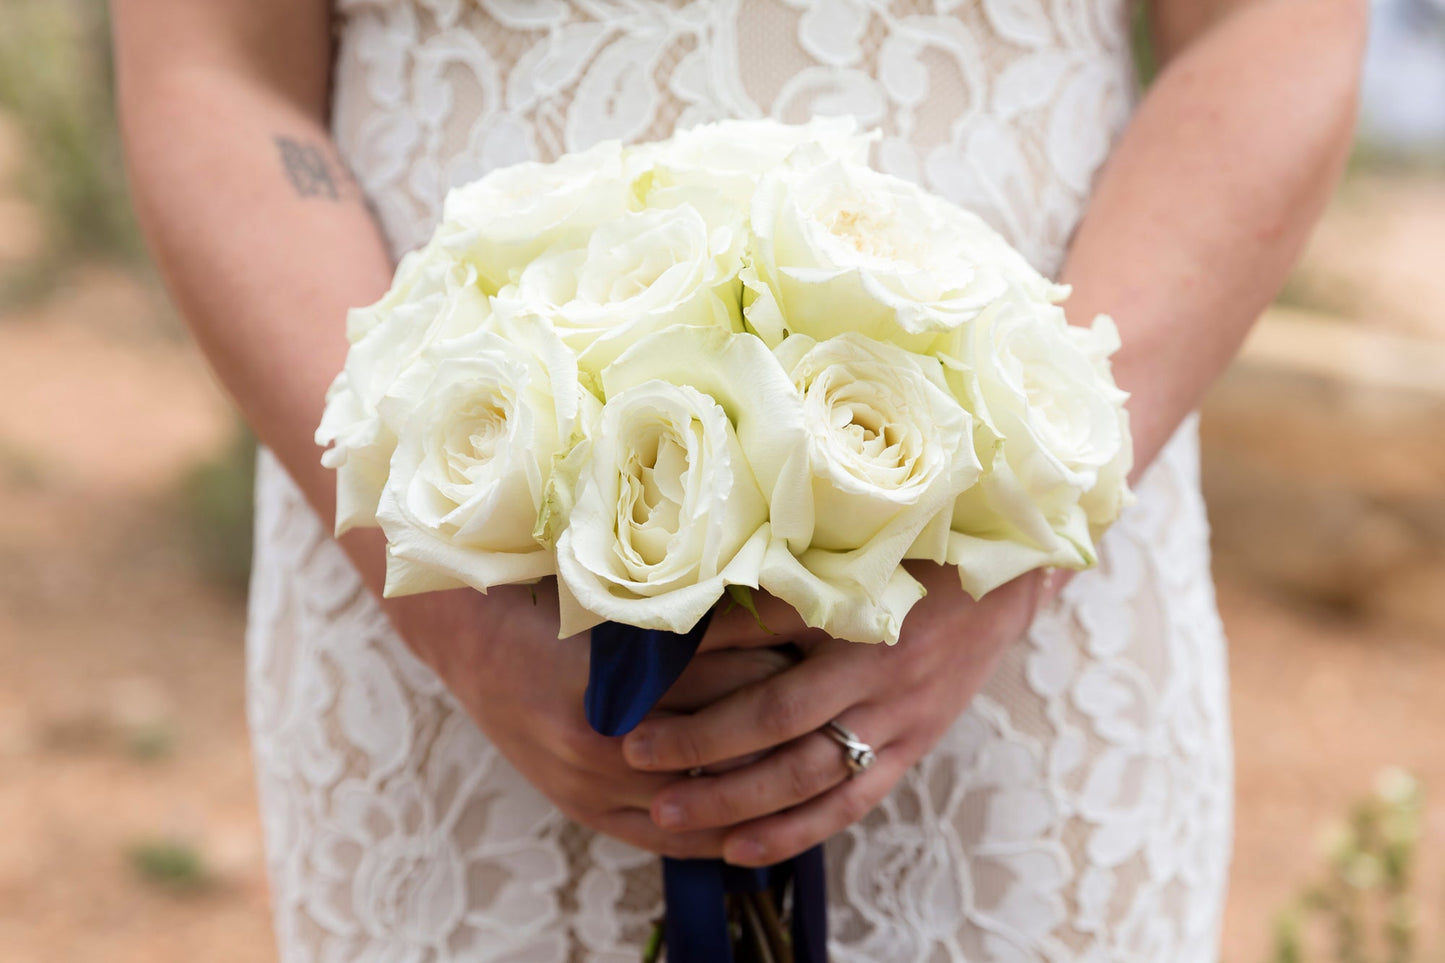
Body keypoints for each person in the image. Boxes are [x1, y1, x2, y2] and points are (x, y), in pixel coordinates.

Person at [111, 0, 1366, 958]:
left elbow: (1272, 26)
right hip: (439, 603)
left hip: (1024, 635)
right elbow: (213, 65)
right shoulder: (443, 609)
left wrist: (1021, 530)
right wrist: (444, 599)